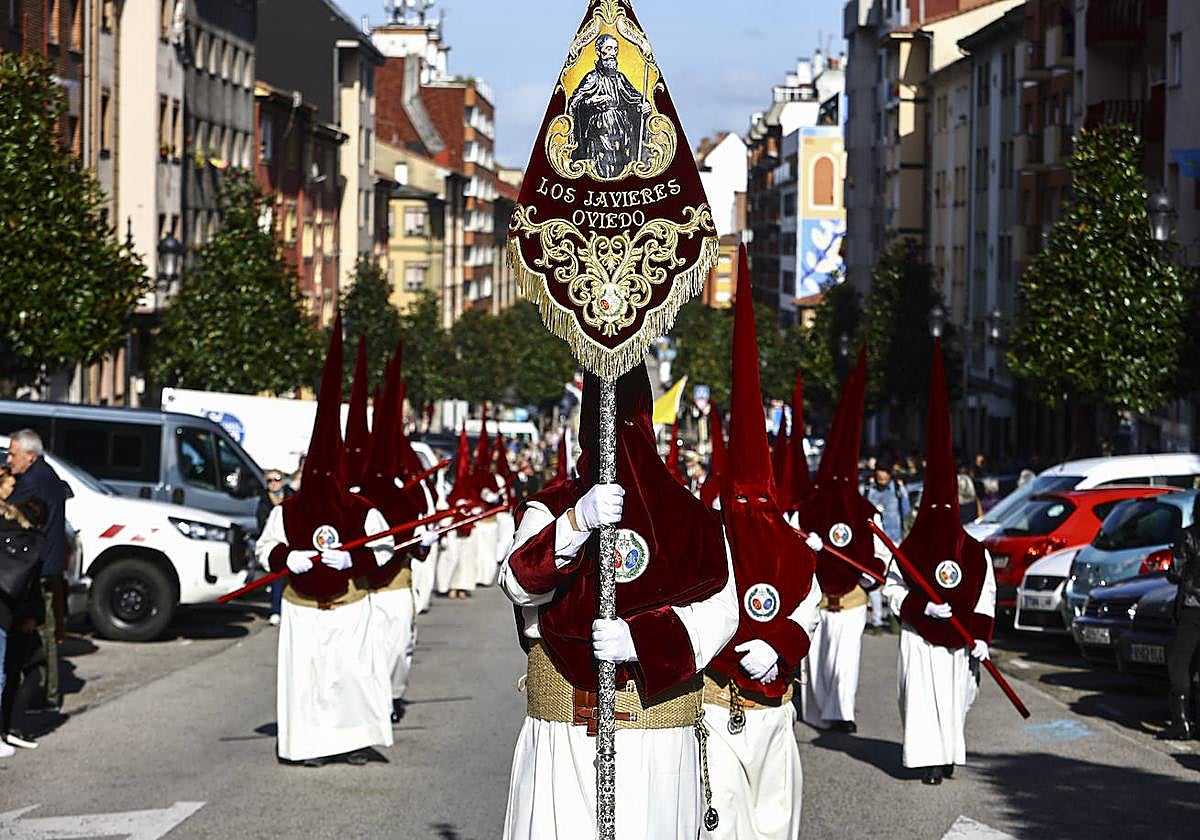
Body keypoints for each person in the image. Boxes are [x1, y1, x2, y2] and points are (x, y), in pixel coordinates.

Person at [497, 363, 738, 840]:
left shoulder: (691, 518)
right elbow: (520, 583)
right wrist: (574, 524)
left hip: (656, 735)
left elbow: (722, 611)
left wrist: (643, 639)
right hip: (565, 731)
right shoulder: (551, 507)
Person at [701, 249, 822, 839]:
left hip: (775, 712)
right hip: (715, 709)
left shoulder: (794, 548)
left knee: (775, 822)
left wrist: (780, 644)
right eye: (739, 499)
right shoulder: (704, 541)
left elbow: (810, 609)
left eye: (759, 500)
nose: (749, 511)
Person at [255, 315, 395, 767]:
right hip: (301, 608)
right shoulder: (288, 510)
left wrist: (352, 565)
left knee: (349, 678)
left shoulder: (360, 510)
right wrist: (285, 555)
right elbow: (264, 548)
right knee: (308, 683)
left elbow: (383, 549)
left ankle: (352, 742)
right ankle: (308, 747)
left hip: (349, 606)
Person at [882, 343, 995, 785]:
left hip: (957, 643)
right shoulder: (910, 549)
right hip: (921, 639)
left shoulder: (974, 551)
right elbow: (892, 589)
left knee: (954, 701)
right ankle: (926, 760)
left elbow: (986, 594)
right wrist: (919, 608)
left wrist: (983, 636)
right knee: (921, 702)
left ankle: (948, 755)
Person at [798, 351, 890, 735]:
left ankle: (843, 713)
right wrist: (807, 548)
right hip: (819, 598)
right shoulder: (806, 511)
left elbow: (881, 554)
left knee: (846, 659)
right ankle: (818, 711)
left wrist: (870, 578)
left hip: (851, 599)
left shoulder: (868, 511)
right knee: (818, 660)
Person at [7, 429, 68, 712]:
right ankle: (47, 692)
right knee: (46, 628)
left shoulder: (31, 481)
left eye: (13, 454)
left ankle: (46, 694)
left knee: (42, 631)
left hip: (39, 564)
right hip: (50, 562)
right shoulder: (47, 474)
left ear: (30, 456)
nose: (9, 461)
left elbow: (9, 511)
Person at [566, 33, 653, 178]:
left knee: (621, 166)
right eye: (608, 48)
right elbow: (575, 103)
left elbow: (635, 98)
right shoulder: (592, 77)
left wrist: (643, 106)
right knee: (602, 166)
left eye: (615, 49)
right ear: (599, 52)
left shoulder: (620, 78)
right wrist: (591, 101)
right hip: (599, 131)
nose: (612, 53)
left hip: (621, 130)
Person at [2, 498, 48, 751]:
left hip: (11, 613)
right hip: (17, 615)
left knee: (10, 671)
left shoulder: (12, 538)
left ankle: (10, 727)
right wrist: (32, 615)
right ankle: (13, 727)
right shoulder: (28, 545)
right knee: (30, 668)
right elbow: (30, 588)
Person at [1160, 494, 1200, 740]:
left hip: (1192, 606)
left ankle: (1182, 722)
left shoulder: (1189, 536)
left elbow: (1176, 573)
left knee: (1179, 663)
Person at [862, 463, 911, 634]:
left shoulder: (898, 490)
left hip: (894, 540)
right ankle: (876, 621)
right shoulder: (867, 489)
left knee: (894, 579)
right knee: (875, 578)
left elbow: (906, 512)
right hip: (873, 541)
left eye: (885, 476)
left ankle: (893, 616)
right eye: (879, 475)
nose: (882, 479)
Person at [257, 469, 295, 626]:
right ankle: (276, 610)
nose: (273, 483)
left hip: (293, 542)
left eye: (276, 479)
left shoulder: (292, 496)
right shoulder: (264, 501)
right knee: (277, 577)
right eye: (269, 481)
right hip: (275, 543)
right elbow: (261, 525)